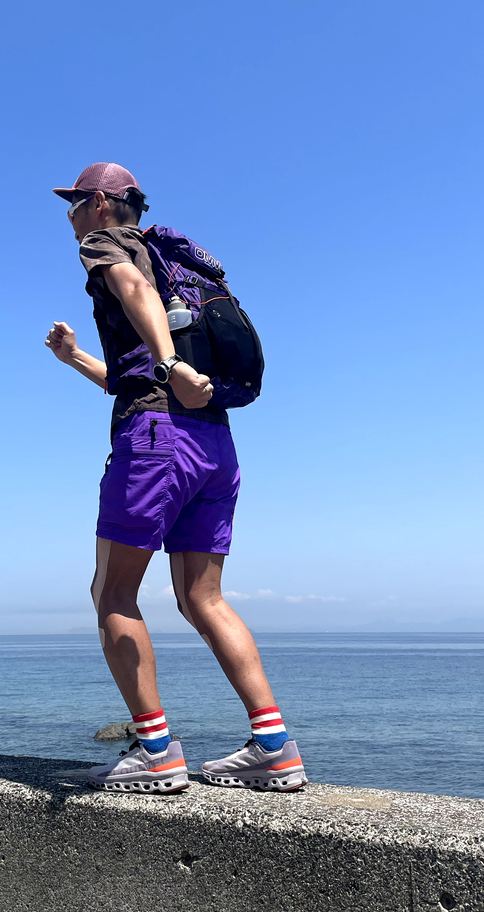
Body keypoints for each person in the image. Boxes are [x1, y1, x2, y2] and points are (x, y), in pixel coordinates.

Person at [46, 162, 304, 795]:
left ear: (102, 204)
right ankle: (274, 746)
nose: (71, 215)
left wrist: (167, 365)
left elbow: (132, 290)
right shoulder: (178, 266)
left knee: (112, 594)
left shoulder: (107, 246)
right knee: (202, 596)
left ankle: (155, 750)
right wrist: (75, 357)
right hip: (213, 442)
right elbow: (125, 376)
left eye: (75, 202)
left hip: (156, 440)